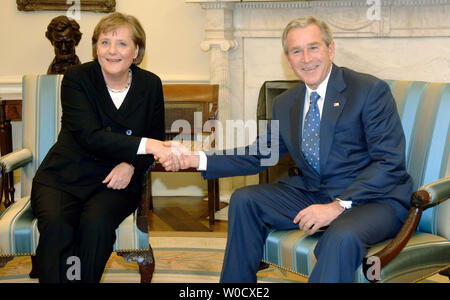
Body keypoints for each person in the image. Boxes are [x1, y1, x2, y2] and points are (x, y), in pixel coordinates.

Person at [166, 16, 413, 282]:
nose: (306, 58)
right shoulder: (286, 103)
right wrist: (197, 158)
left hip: (374, 200)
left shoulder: (368, 90)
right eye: (297, 51)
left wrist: (337, 206)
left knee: (341, 236)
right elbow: (260, 154)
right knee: (245, 199)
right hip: (316, 192)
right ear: (288, 59)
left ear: (330, 49)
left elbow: (389, 162)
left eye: (313, 47)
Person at [31, 12, 180, 283]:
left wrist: (131, 165)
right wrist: (146, 145)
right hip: (65, 176)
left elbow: (153, 139)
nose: (112, 51)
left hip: (115, 181)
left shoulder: (150, 84)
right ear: (95, 47)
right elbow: (90, 135)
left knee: (96, 225)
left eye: (122, 44)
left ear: (136, 50)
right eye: (105, 42)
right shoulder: (77, 78)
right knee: (57, 228)